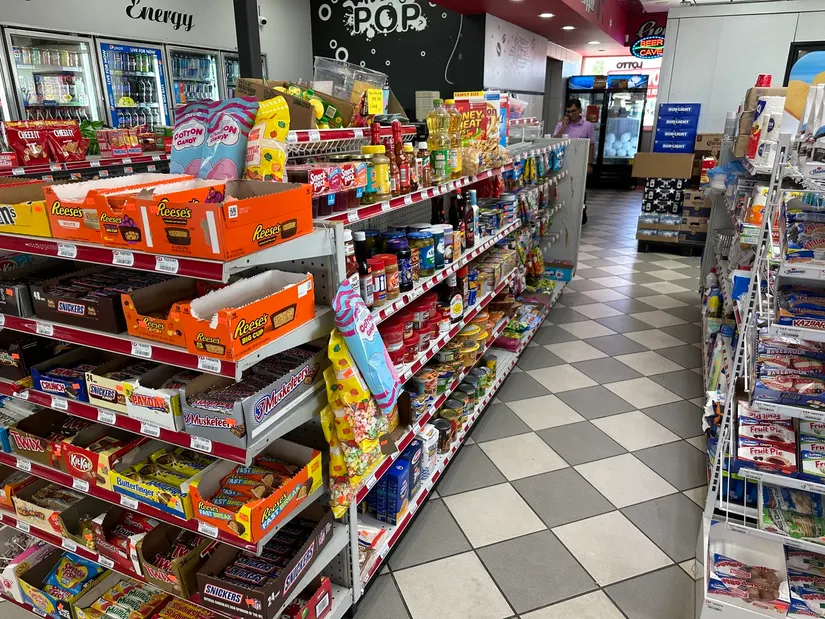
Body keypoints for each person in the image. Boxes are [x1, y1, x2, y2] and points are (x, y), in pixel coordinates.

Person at [553, 98, 595, 224]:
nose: (571, 114)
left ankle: (581, 211)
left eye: (573, 111)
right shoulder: (561, 125)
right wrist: (563, 127)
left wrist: (589, 164)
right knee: (564, 188)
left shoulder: (587, 126)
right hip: (563, 162)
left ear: (580, 110)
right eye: (568, 112)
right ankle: (565, 213)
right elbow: (554, 142)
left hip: (580, 163)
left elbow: (591, 145)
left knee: (579, 188)